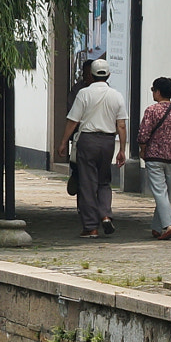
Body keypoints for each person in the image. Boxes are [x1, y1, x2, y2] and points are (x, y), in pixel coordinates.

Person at [62, 58, 127, 238]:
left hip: (87, 141)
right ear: (108, 75)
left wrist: (63, 142)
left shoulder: (83, 94)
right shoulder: (116, 95)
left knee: (87, 183)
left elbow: (73, 121)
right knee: (104, 180)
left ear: (90, 74)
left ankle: (91, 226)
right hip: (107, 142)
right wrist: (122, 149)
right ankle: (105, 214)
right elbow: (121, 125)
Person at [136, 75, 171, 240]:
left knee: (159, 192)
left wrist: (142, 149)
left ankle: (169, 226)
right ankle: (157, 227)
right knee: (165, 193)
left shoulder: (152, 110)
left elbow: (143, 134)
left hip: (155, 156)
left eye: (153, 90)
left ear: (157, 91)